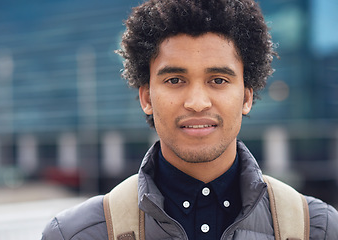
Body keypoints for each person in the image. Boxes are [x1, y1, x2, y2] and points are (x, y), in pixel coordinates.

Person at [42, 0, 338, 239]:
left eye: (219, 80)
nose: (197, 102)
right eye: (174, 80)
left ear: (247, 97)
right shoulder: (74, 234)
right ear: (146, 98)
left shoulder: (318, 228)